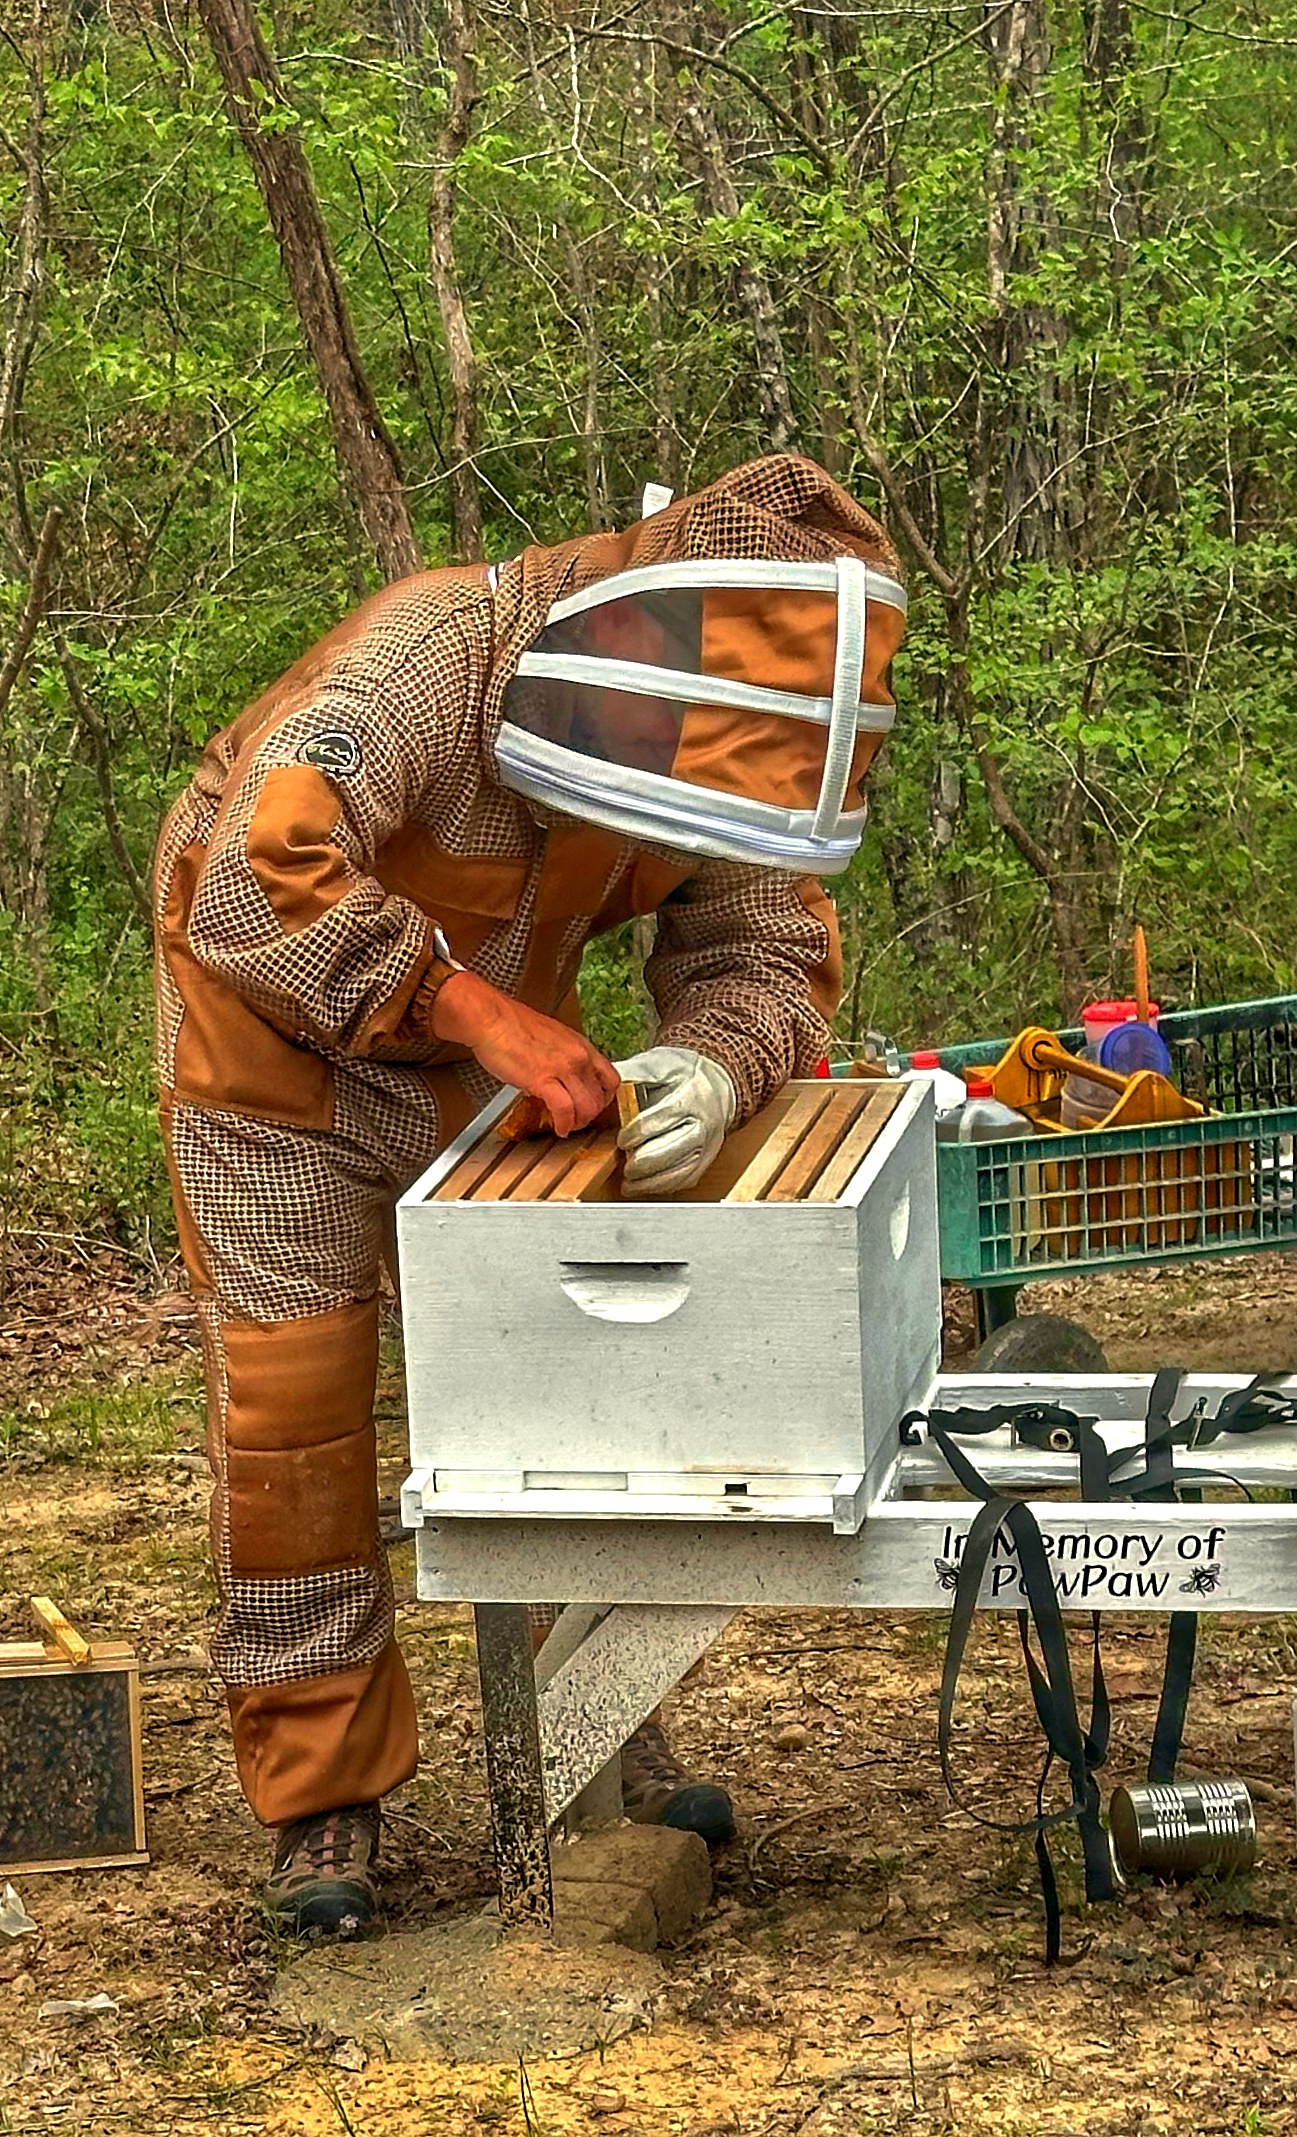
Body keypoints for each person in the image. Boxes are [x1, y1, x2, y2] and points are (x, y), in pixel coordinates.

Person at [153, 455, 907, 1937]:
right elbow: (248, 881)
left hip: (490, 1070)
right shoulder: (427, 661)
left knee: (567, 1382)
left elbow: (764, 935)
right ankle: (322, 1800)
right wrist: (475, 1013)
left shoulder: (718, 735)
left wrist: (713, 1061)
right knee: (294, 1418)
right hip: (274, 1060)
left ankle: (596, 1719)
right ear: (639, 632)